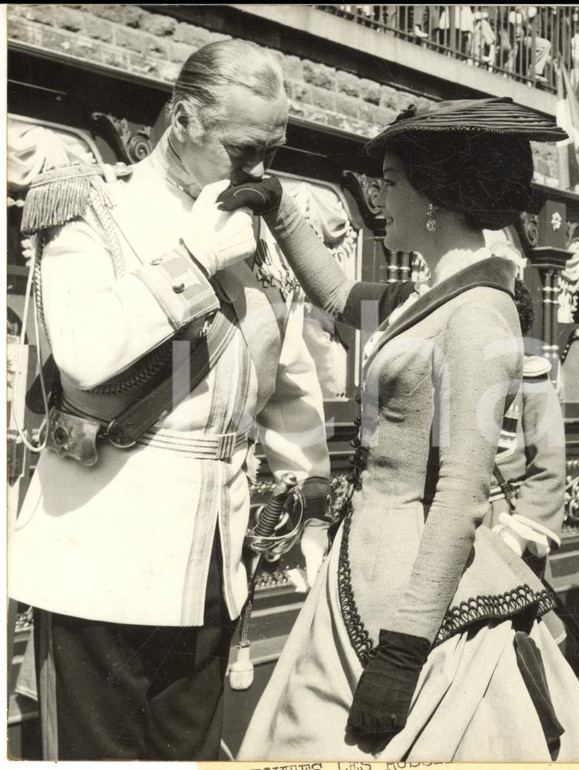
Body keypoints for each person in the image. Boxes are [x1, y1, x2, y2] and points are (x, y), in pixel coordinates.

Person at [233, 97, 579, 761]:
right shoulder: (431, 291)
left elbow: (463, 487)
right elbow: (338, 299)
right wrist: (279, 208)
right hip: (365, 566)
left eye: (395, 182)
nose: (384, 199)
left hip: (414, 595)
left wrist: (405, 649)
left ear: (435, 194)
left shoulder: (478, 313)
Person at [7, 40, 332, 760]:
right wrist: (193, 260)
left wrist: (306, 501)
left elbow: (288, 386)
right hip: (101, 553)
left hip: (212, 562)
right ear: (183, 119)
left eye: (273, 150)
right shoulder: (95, 206)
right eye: (245, 149)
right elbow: (87, 353)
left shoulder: (258, 228)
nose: (261, 170)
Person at [487, 279, 566, 642]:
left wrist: (517, 533)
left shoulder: (532, 383)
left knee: (524, 630)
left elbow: (549, 468)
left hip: (506, 522)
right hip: (459, 523)